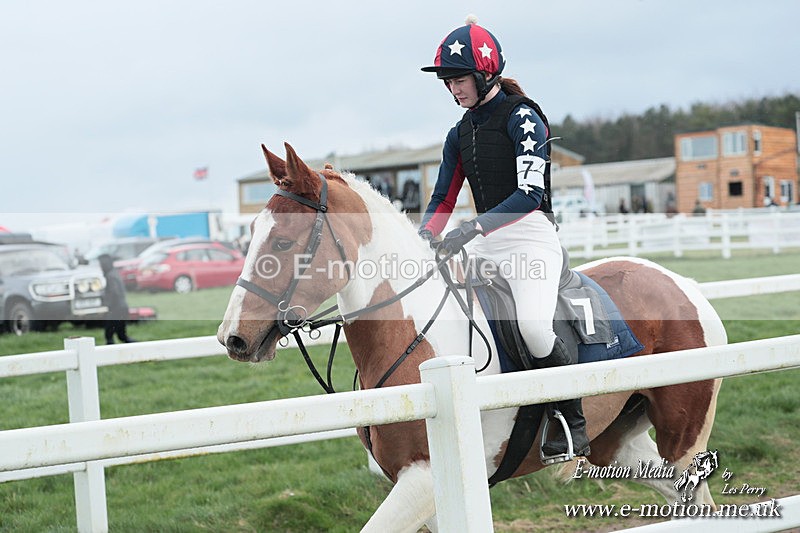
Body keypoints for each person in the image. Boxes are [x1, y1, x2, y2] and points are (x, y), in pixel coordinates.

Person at [417, 16, 589, 459]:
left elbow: (530, 194)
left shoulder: (524, 117)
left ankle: (571, 420)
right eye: (447, 82)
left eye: (458, 80)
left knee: (532, 327)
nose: (453, 90)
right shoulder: (458, 134)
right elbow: (442, 198)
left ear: (484, 72)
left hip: (530, 236)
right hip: (484, 240)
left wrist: (472, 228)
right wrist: (422, 239)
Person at [98, 254, 134, 344]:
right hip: (123, 308)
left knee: (109, 335)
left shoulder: (110, 276)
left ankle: (109, 356)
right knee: (122, 336)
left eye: (101, 264)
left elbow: (114, 292)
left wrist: (106, 302)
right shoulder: (114, 273)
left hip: (116, 309)